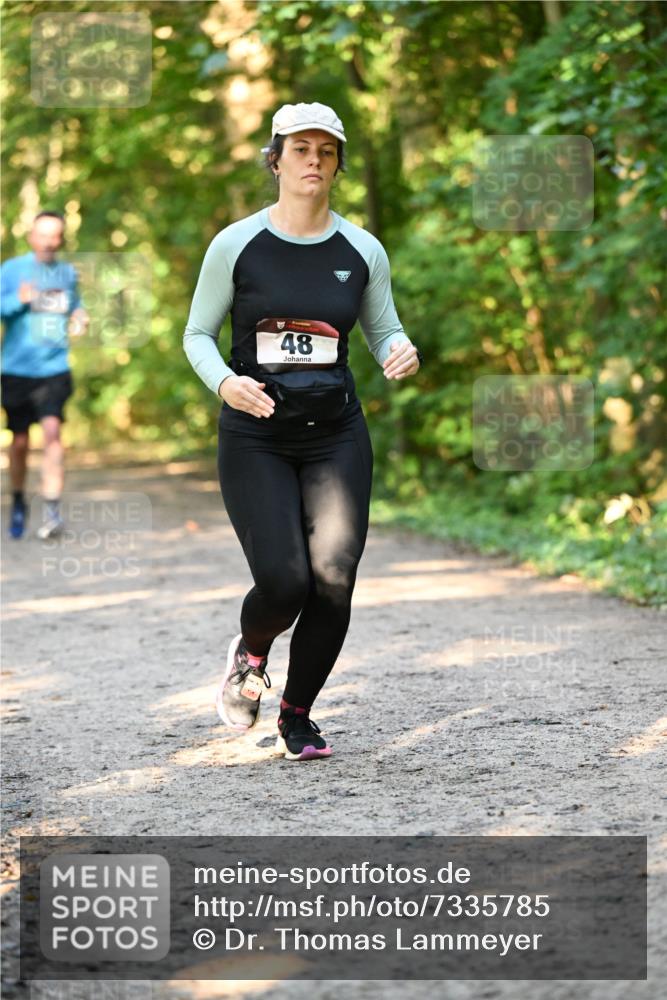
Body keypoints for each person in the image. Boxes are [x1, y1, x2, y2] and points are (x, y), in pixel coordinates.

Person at [183, 101, 423, 762]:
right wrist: (224, 383)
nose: (312, 161)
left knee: (334, 576)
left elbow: (384, 328)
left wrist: (399, 349)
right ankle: (251, 655)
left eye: (325, 151)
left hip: (334, 432)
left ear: (337, 164)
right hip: (255, 434)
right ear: (276, 159)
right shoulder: (236, 244)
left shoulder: (361, 249)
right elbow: (197, 333)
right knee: (285, 582)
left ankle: (298, 714)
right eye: (299, 149)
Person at [1, 210, 88, 540]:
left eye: (56, 235)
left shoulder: (66, 273)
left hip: (54, 368)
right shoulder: (11, 271)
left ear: (62, 238)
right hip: (16, 370)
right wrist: (18, 299)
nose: (50, 242)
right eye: (44, 235)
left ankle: (52, 512)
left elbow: (74, 306)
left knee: (52, 434)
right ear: (31, 237)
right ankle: (19, 499)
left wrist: (80, 317)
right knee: (20, 442)